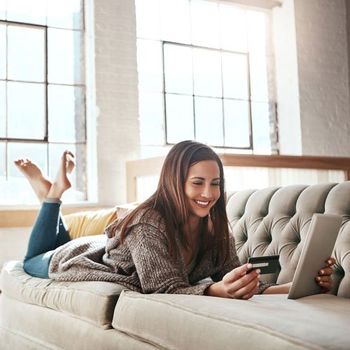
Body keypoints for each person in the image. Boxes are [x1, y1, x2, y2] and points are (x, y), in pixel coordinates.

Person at [15, 141, 334, 299]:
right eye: (197, 183)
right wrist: (215, 291)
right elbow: (164, 289)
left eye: (215, 183)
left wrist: (298, 286)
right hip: (79, 258)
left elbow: (232, 280)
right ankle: (52, 195)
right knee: (31, 259)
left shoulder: (215, 227)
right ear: (174, 181)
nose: (208, 193)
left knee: (57, 236)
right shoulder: (148, 222)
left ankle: (48, 195)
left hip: (108, 246)